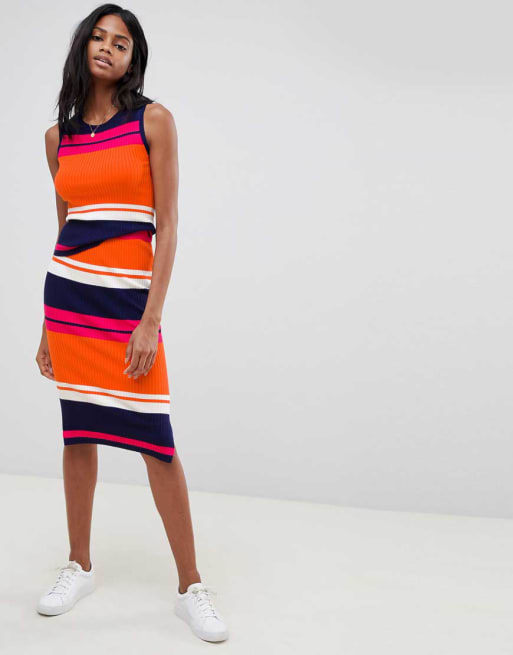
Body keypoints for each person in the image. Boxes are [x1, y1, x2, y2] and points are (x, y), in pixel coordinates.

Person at [34, 5, 229, 643]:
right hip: (70, 302)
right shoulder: (57, 138)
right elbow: (66, 227)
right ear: (82, 47)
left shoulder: (153, 121)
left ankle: (191, 586)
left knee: (156, 442)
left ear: (133, 58)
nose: (107, 48)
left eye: (121, 43)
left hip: (129, 308)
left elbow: (166, 225)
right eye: (98, 37)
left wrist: (151, 319)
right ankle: (79, 566)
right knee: (78, 433)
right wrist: (45, 328)